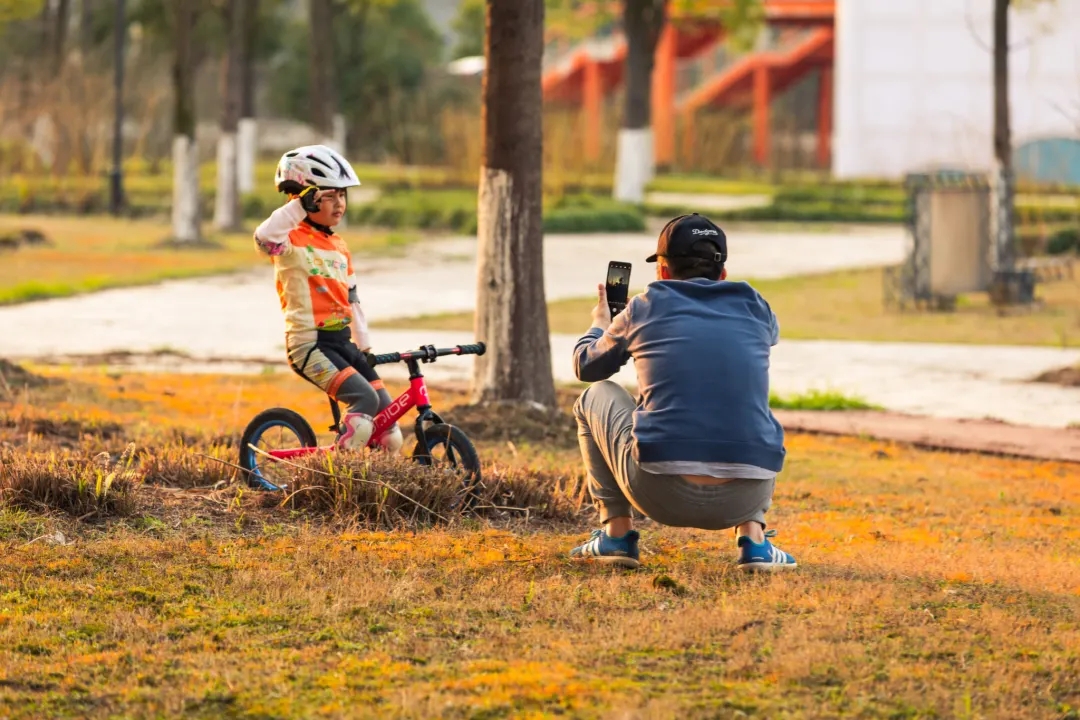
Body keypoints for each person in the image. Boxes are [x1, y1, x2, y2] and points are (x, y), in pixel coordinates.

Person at [568, 213, 796, 572]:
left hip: (660, 493)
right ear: (722, 273)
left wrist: (601, 326)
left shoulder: (644, 307)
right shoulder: (757, 307)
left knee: (596, 395)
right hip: (746, 494)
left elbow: (587, 368)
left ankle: (616, 535)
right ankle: (754, 543)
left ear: (662, 271)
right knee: (744, 407)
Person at [253, 144, 402, 453]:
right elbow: (263, 237)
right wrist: (298, 208)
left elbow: (353, 298)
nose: (339, 204)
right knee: (364, 401)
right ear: (307, 198)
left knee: (389, 429)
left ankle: (373, 486)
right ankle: (335, 478)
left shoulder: (338, 245)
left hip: (342, 342)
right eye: (329, 196)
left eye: (342, 195)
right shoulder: (289, 239)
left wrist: (364, 346)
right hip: (309, 344)